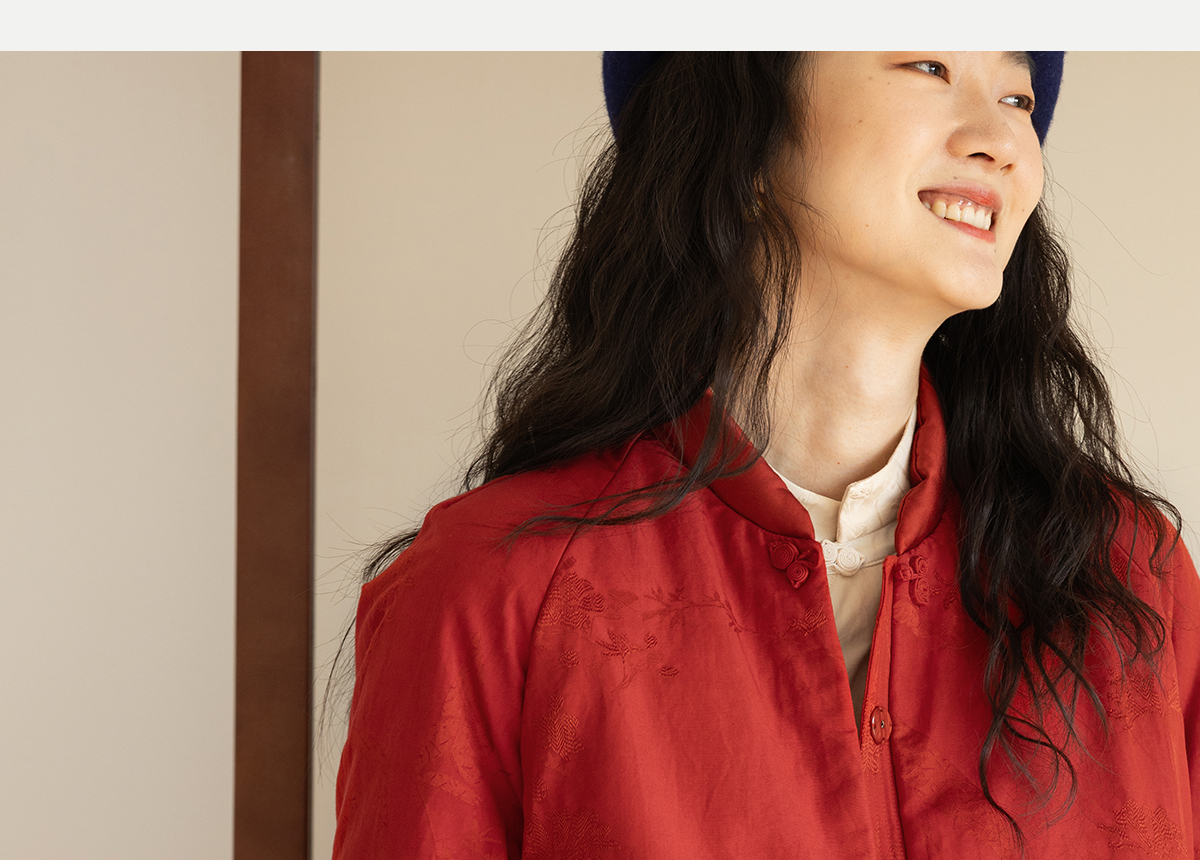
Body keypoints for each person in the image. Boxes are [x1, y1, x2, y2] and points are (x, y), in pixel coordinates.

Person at [332, 53, 1199, 859]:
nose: (1004, 139)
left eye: (1018, 96)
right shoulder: (495, 591)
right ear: (744, 133)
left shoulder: (1133, 580)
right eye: (929, 65)